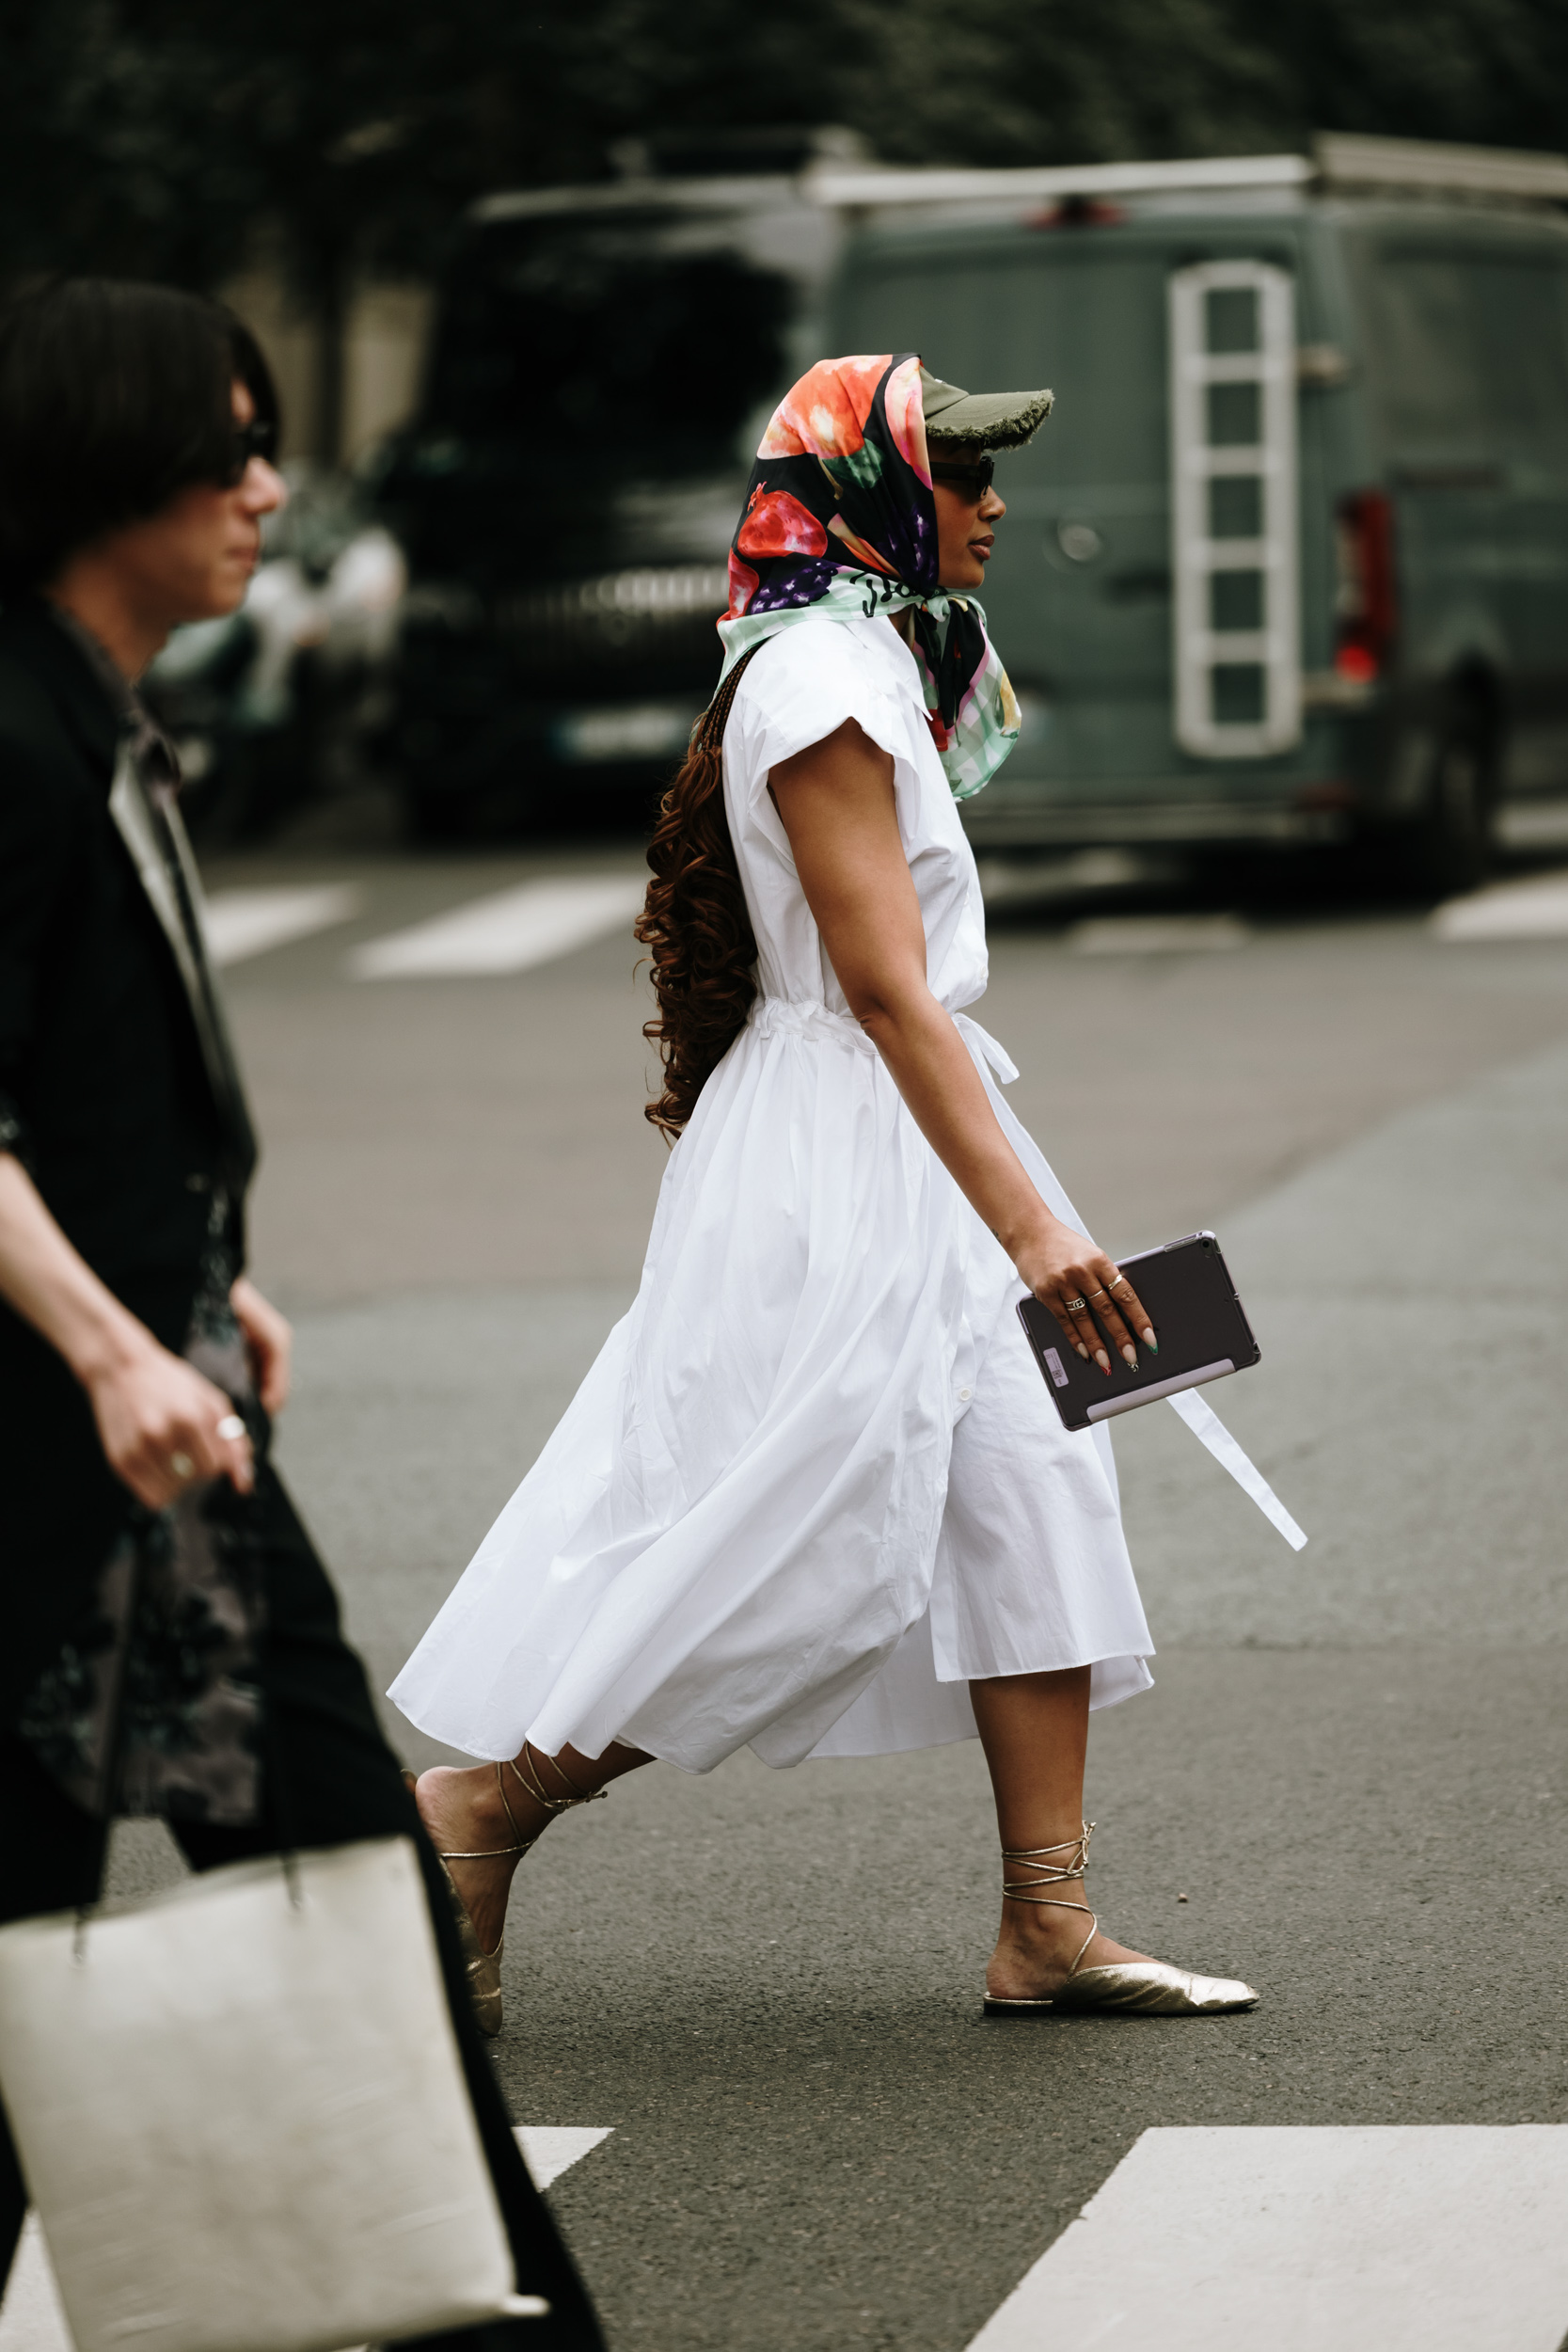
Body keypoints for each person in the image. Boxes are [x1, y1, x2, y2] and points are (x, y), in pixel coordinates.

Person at [391, 353, 1258, 2028]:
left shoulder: (866, 656)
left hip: (898, 1134)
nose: (997, 507)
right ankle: (481, 1812)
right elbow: (884, 988)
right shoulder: (824, 689)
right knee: (792, 1533)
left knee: (1031, 1489)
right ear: (870, 495)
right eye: (966, 476)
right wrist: (1033, 1223)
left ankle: (1048, 1927)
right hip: (845, 1159)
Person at [0, 277, 603, 2351]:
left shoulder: (85, 706)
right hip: (77, 1456)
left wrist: (184, 1267)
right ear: (104, 468)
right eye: (230, 449)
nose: (271, 487)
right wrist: (102, 1333)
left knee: (348, 1914)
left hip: (128, 1459)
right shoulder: (10, 728)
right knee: (331, 1928)